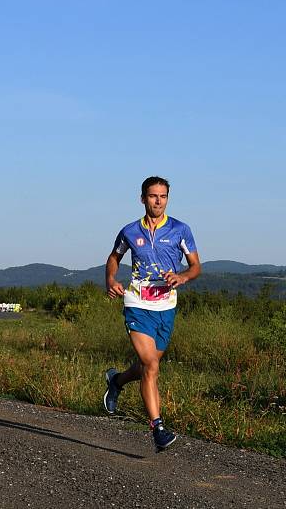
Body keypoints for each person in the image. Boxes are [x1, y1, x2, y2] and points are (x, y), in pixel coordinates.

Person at [103, 176, 201, 452]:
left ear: (167, 198)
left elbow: (195, 267)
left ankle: (117, 381)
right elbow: (114, 257)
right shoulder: (130, 231)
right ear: (142, 198)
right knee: (152, 367)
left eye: (163, 196)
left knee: (148, 366)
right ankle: (157, 428)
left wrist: (182, 277)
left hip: (166, 306)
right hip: (137, 302)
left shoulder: (181, 230)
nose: (158, 201)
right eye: (153, 196)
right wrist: (111, 280)